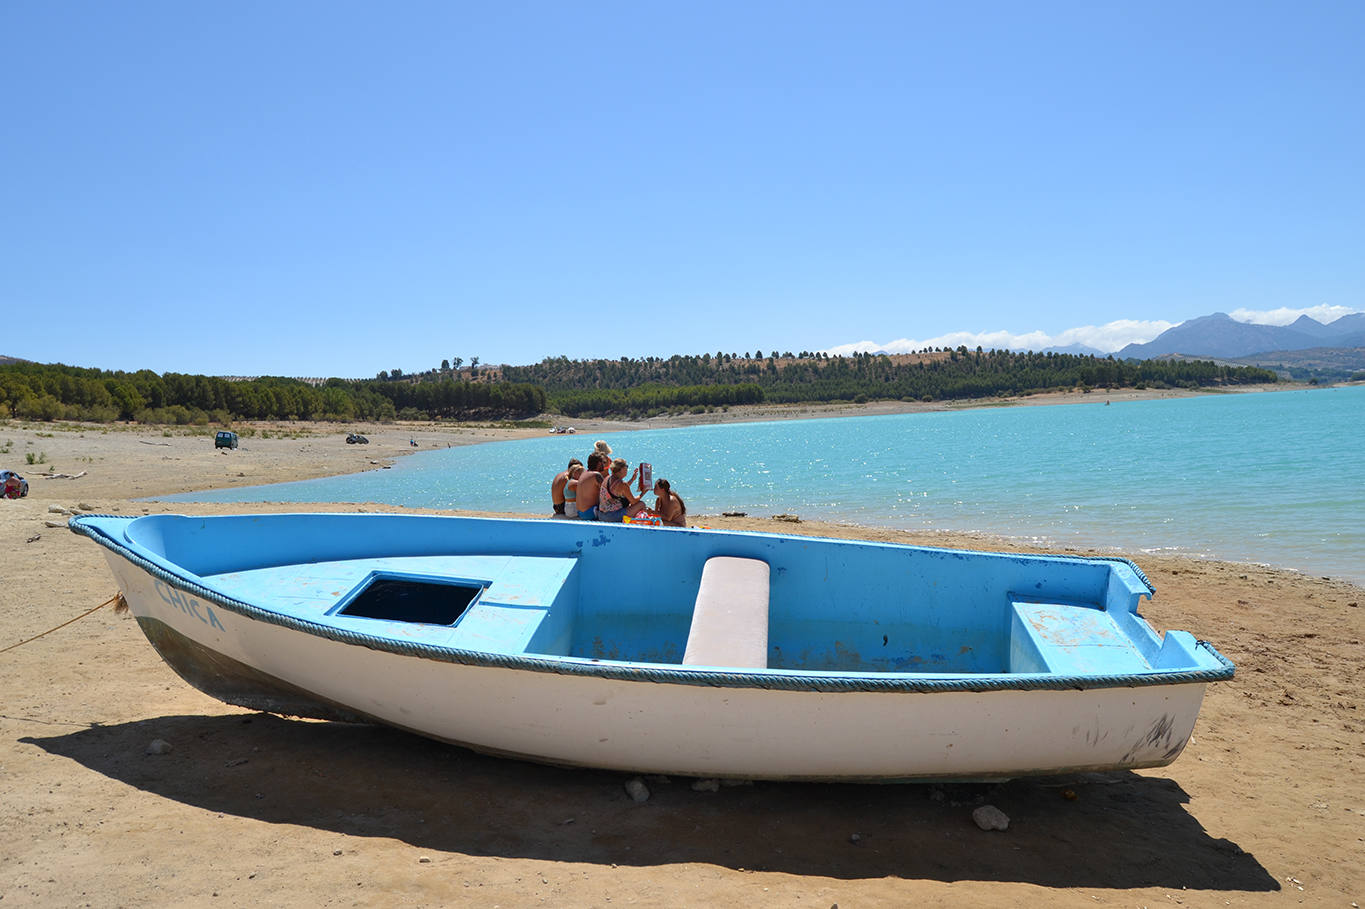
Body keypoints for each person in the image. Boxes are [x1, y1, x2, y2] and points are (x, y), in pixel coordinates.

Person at [597, 458, 647, 523]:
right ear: (621, 469)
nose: (627, 468)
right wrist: (643, 493)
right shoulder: (622, 485)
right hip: (611, 517)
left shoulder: (608, 478)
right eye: (626, 466)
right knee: (641, 504)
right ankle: (641, 523)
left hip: (601, 515)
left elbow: (619, 490)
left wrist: (632, 479)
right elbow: (633, 501)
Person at [575, 452, 607, 521]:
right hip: (590, 512)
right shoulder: (596, 475)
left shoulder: (583, 474)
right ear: (599, 463)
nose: (604, 465)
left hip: (580, 513)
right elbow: (607, 492)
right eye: (603, 462)